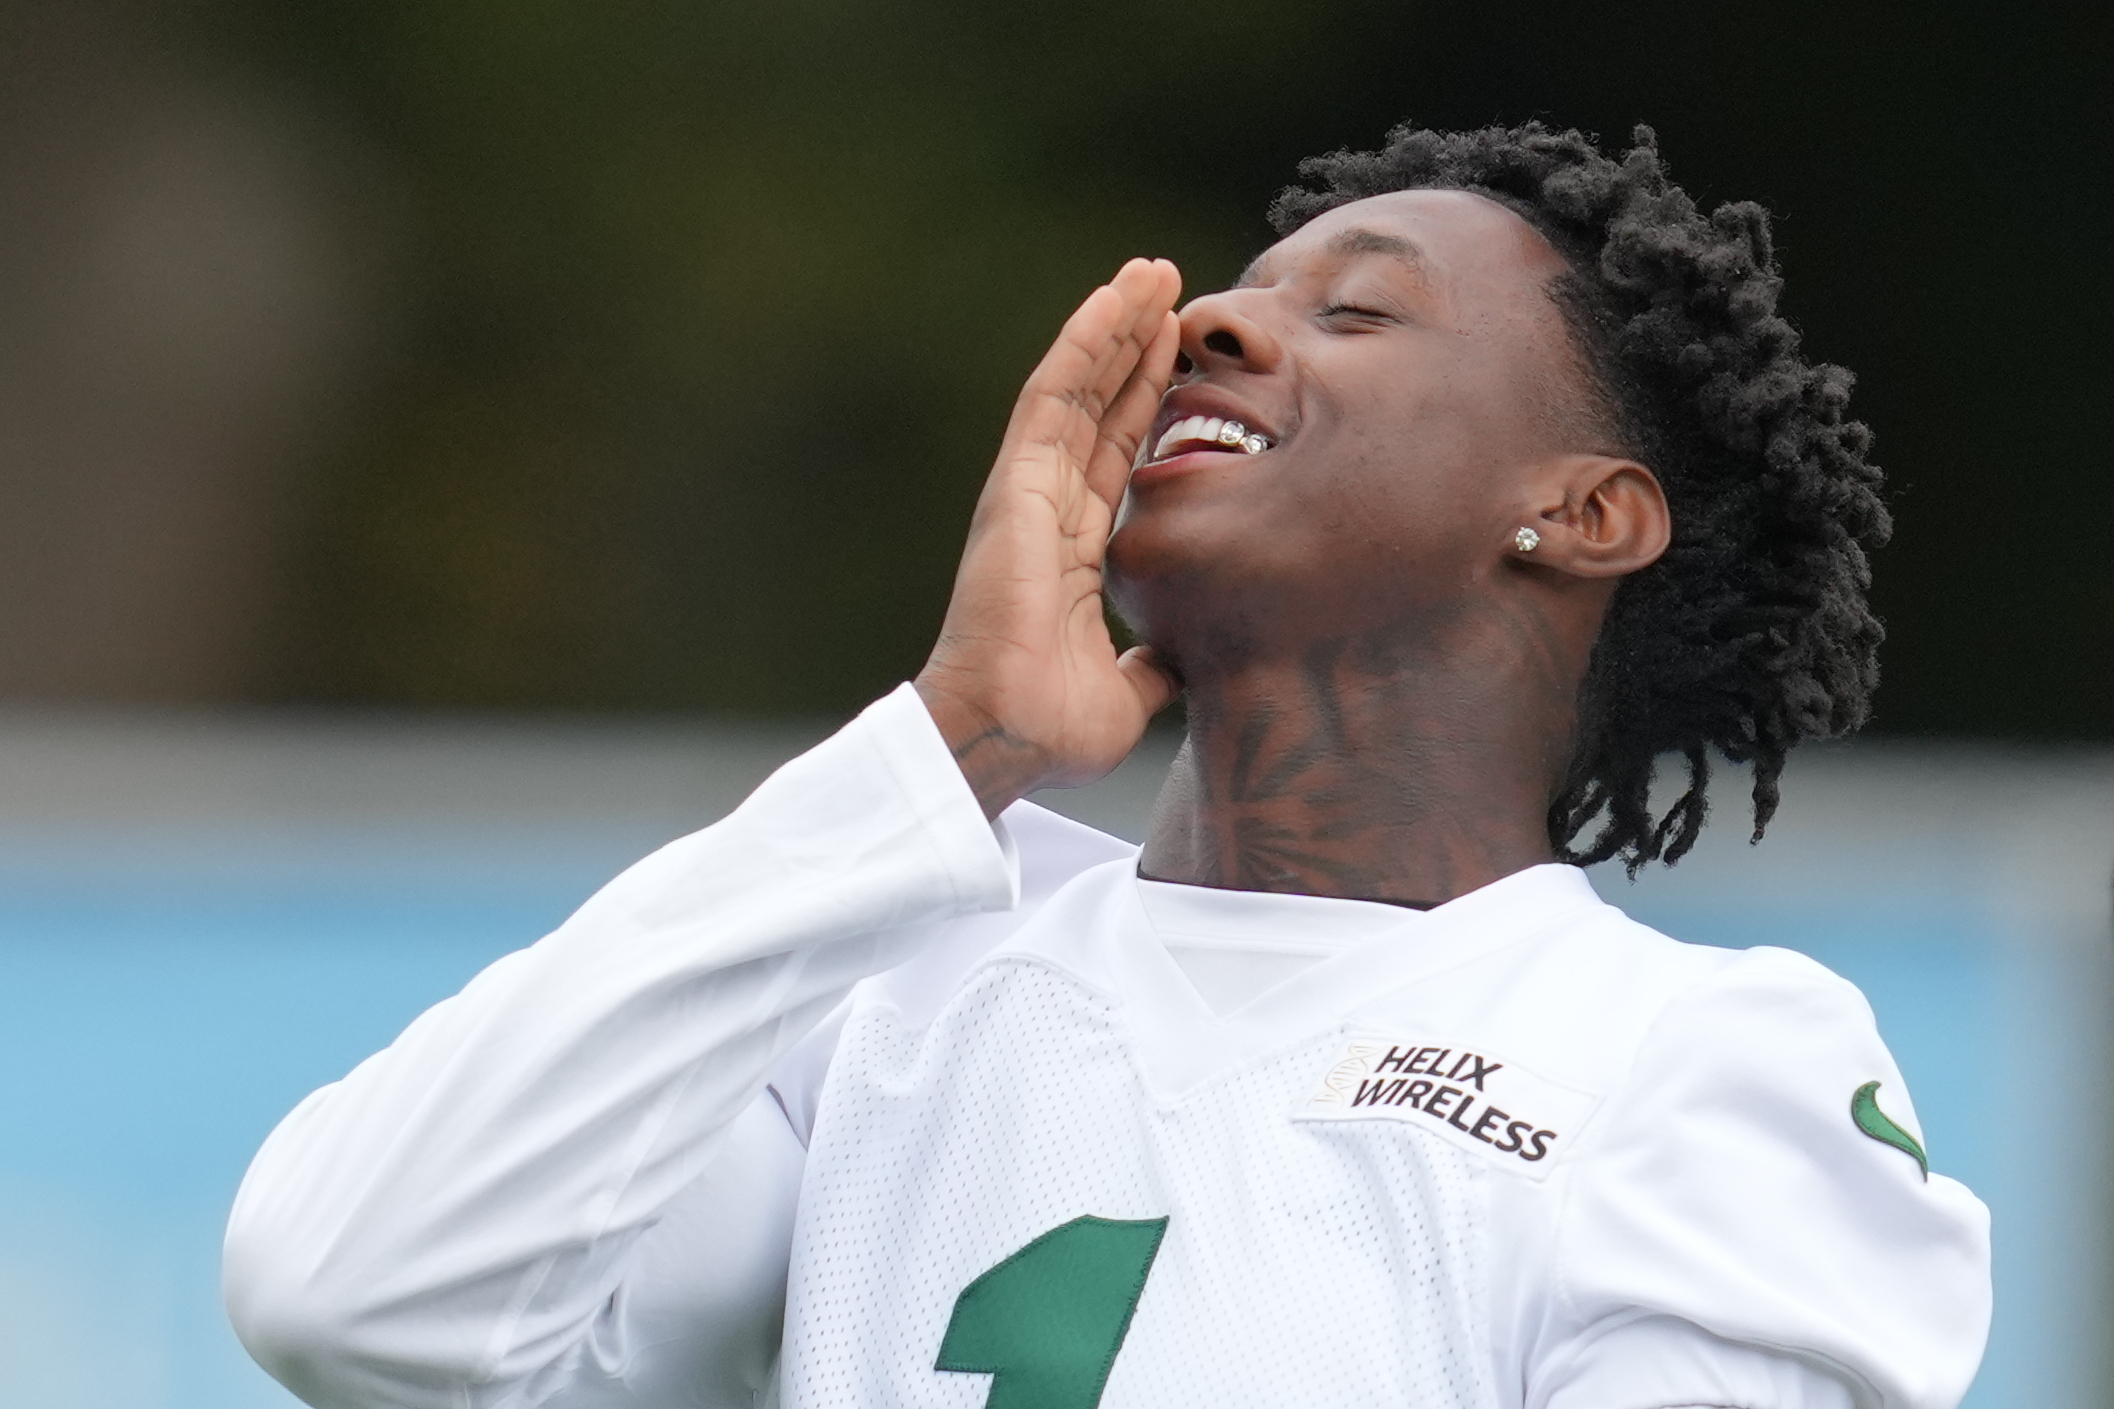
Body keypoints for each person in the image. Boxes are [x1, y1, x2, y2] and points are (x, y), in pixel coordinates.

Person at [224, 122, 1990, 1409]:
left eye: (1358, 316)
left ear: (1580, 512)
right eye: (1232, 295)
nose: (1215, 327)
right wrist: (950, 745)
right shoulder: (882, 984)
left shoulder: (1697, 1071)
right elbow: (357, 1295)